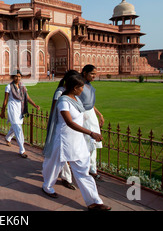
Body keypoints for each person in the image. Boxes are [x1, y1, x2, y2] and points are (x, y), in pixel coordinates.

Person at [41, 74, 111, 211]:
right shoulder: (63, 101)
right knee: (53, 166)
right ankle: (47, 186)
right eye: (81, 87)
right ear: (74, 88)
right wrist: (90, 133)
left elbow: (82, 116)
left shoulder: (77, 99)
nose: (83, 90)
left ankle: (94, 201)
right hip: (64, 141)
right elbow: (69, 122)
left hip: (78, 142)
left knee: (83, 172)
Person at [44, 70, 81, 190]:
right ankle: (60, 180)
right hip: (61, 128)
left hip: (69, 132)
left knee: (62, 155)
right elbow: (56, 111)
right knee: (57, 156)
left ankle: (66, 178)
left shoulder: (70, 93)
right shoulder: (60, 92)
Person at [0, 70, 40, 158]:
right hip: (12, 108)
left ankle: (8, 138)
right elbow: (5, 100)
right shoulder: (9, 87)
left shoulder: (22, 86)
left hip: (20, 108)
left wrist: (34, 104)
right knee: (18, 128)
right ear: (13, 77)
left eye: (19, 76)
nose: (17, 78)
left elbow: (27, 97)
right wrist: (2, 111)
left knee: (15, 126)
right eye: (16, 76)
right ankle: (22, 150)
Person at [79, 64, 105, 180]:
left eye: (95, 73)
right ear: (84, 73)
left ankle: (92, 168)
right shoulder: (79, 85)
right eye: (92, 74)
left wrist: (99, 114)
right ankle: (87, 169)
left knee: (93, 144)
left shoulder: (88, 86)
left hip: (91, 115)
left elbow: (90, 104)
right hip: (84, 116)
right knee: (87, 143)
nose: (94, 76)